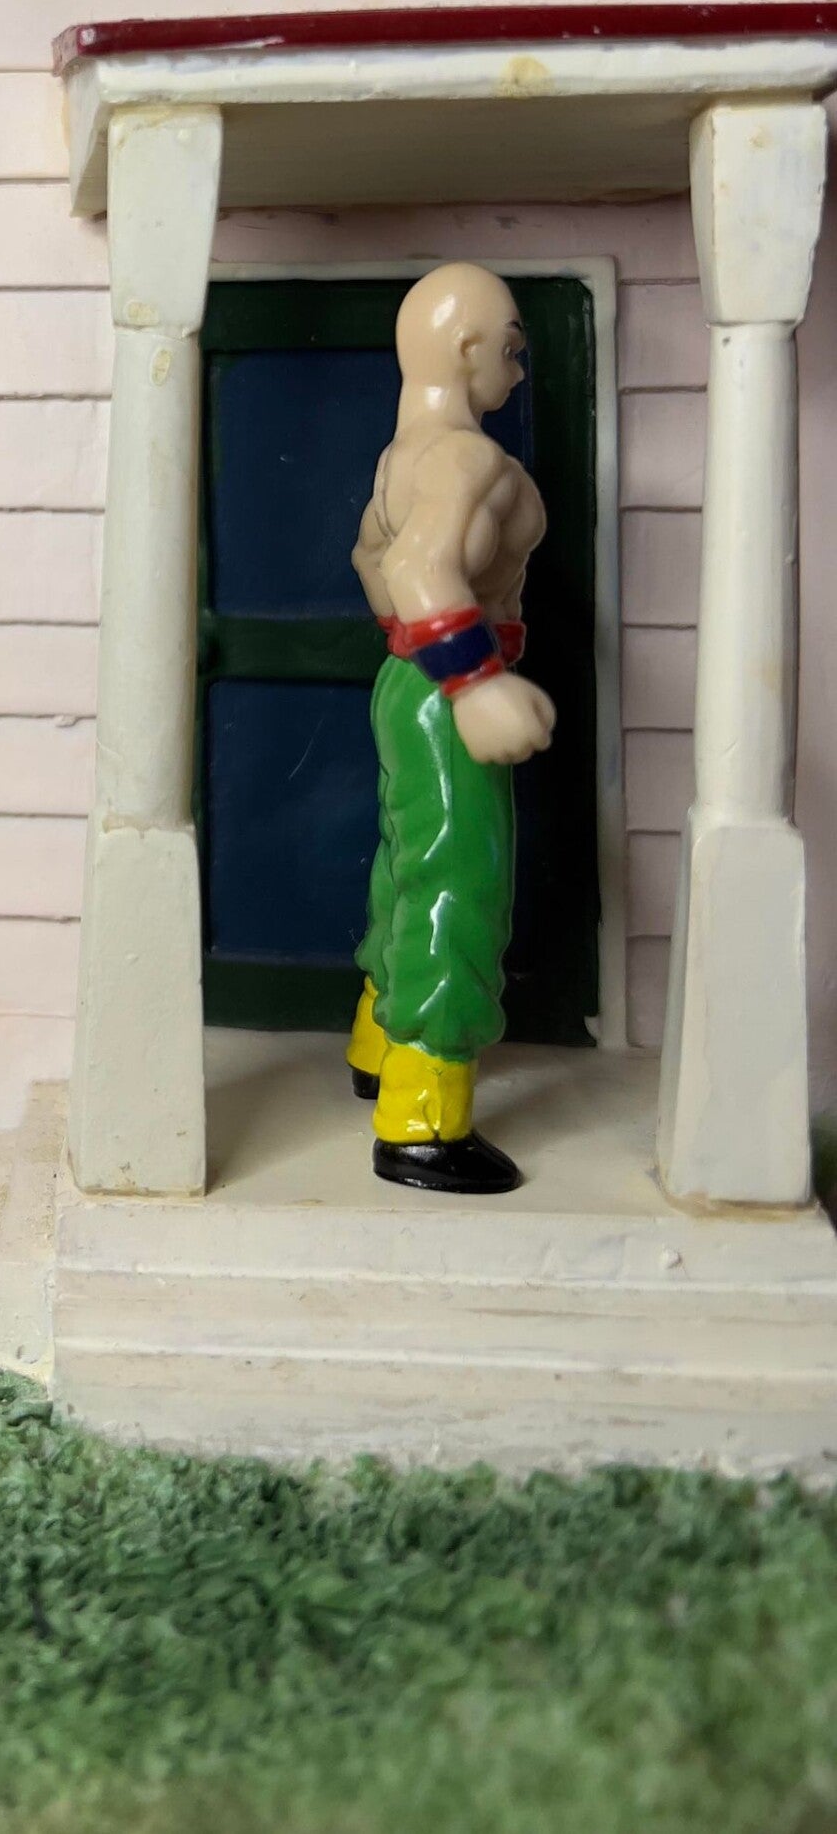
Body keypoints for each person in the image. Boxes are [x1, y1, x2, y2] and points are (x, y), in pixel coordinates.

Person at [347, 262, 552, 1194]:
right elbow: (419, 571)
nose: (517, 366)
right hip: (446, 683)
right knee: (458, 881)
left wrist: (416, 652)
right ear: (466, 348)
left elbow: (371, 558)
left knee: (406, 864)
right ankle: (422, 1117)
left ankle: (377, 1040)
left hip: (406, 678)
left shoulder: (401, 456)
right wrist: (473, 683)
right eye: (509, 346)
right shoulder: (466, 460)